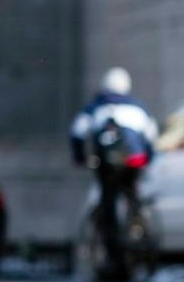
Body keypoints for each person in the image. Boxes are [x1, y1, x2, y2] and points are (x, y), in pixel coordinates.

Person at [68, 67, 159, 268]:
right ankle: (139, 224)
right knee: (132, 192)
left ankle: (113, 254)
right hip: (135, 161)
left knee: (108, 201)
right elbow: (151, 135)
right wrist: (149, 158)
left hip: (107, 163)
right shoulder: (138, 107)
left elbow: (77, 131)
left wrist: (79, 157)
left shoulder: (97, 105)